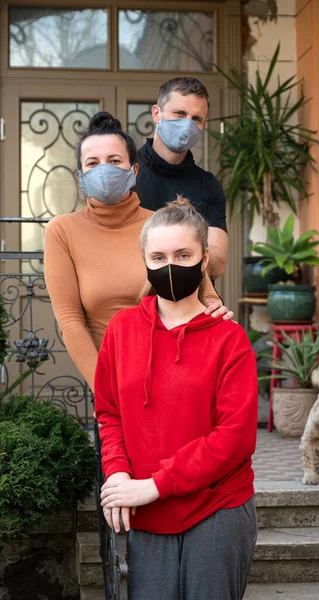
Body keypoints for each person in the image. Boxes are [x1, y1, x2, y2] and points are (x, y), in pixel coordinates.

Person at [95, 198, 258, 600]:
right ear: (145, 261)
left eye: (183, 254)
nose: (170, 265)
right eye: (159, 256)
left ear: (204, 259)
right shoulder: (122, 329)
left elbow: (235, 437)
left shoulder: (229, 338)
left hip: (216, 508)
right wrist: (117, 471)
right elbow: (109, 412)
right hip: (146, 512)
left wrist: (155, 484)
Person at [44, 112, 233, 393]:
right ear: (81, 177)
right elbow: (70, 321)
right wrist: (105, 390)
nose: (103, 169)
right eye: (92, 164)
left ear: (133, 171)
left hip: (178, 377)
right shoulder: (62, 230)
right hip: (113, 381)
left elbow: (203, 289)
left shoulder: (161, 224)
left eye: (114, 161)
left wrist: (213, 301)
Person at [135, 77, 228, 280]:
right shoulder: (127, 173)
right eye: (179, 114)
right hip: (134, 304)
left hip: (194, 304)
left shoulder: (208, 185)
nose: (187, 124)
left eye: (196, 119)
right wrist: (188, 252)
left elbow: (217, 263)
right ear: (156, 114)